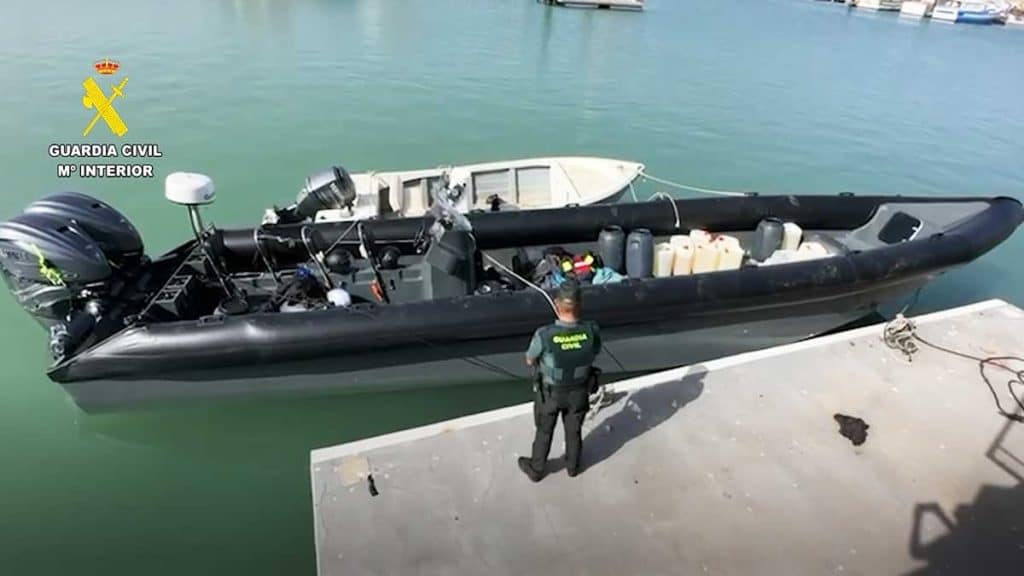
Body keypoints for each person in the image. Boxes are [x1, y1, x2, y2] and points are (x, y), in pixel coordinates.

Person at [518, 280, 601, 482]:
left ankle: (537, 469)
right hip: (579, 392)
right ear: (579, 305)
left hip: (550, 394)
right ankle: (573, 467)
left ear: (556, 304)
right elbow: (595, 351)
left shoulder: (544, 335)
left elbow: (530, 359)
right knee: (574, 430)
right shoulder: (591, 331)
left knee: (544, 430)